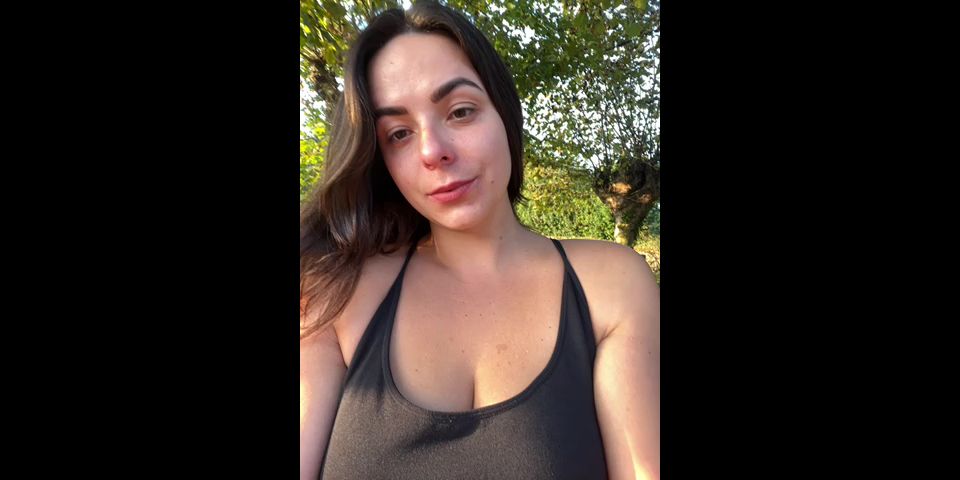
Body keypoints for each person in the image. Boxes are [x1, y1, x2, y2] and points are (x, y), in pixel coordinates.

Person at [299, 2, 659, 478]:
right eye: (399, 134)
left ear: (505, 114)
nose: (433, 151)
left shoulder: (610, 286)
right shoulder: (335, 292)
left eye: (461, 111)